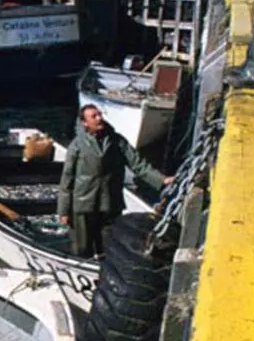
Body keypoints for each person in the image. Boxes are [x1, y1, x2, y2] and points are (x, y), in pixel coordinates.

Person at [56, 105, 173, 258]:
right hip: (82, 203)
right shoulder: (77, 146)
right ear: (84, 122)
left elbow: (138, 165)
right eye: (94, 116)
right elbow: (67, 180)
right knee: (82, 247)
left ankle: (107, 273)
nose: (99, 118)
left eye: (100, 115)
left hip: (109, 202)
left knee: (110, 244)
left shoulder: (116, 141)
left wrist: (162, 180)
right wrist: (63, 211)